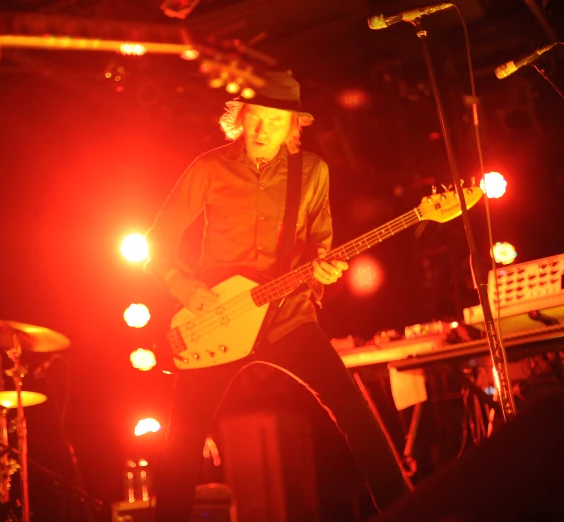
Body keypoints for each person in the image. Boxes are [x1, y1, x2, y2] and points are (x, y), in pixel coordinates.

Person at [144, 71, 411, 521]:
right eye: (256, 117)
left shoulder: (312, 171)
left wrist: (322, 270)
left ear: (293, 127)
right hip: (217, 316)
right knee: (182, 440)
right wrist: (183, 285)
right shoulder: (209, 167)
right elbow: (158, 238)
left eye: (275, 120)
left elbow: (320, 243)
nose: (263, 130)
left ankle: (409, 510)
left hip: (288, 314)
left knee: (354, 411)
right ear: (240, 118)